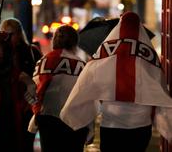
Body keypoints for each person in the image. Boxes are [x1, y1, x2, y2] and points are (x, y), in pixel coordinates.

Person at [60, 12, 172, 152]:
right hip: (140, 125)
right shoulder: (148, 54)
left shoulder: (106, 52)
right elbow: (159, 85)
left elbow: (87, 79)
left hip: (111, 124)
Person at [29, 25, 89, 152]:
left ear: (54, 40)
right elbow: (88, 95)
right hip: (75, 120)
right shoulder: (82, 65)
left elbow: (35, 91)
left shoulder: (45, 61)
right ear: (75, 43)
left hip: (49, 119)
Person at [0, 17, 42, 152]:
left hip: (27, 105)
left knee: (26, 141)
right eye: (5, 34)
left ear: (19, 33)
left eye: (12, 34)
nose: (9, 38)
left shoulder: (31, 51)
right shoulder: (1, 54)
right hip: (7, 105)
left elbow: (40, 76)